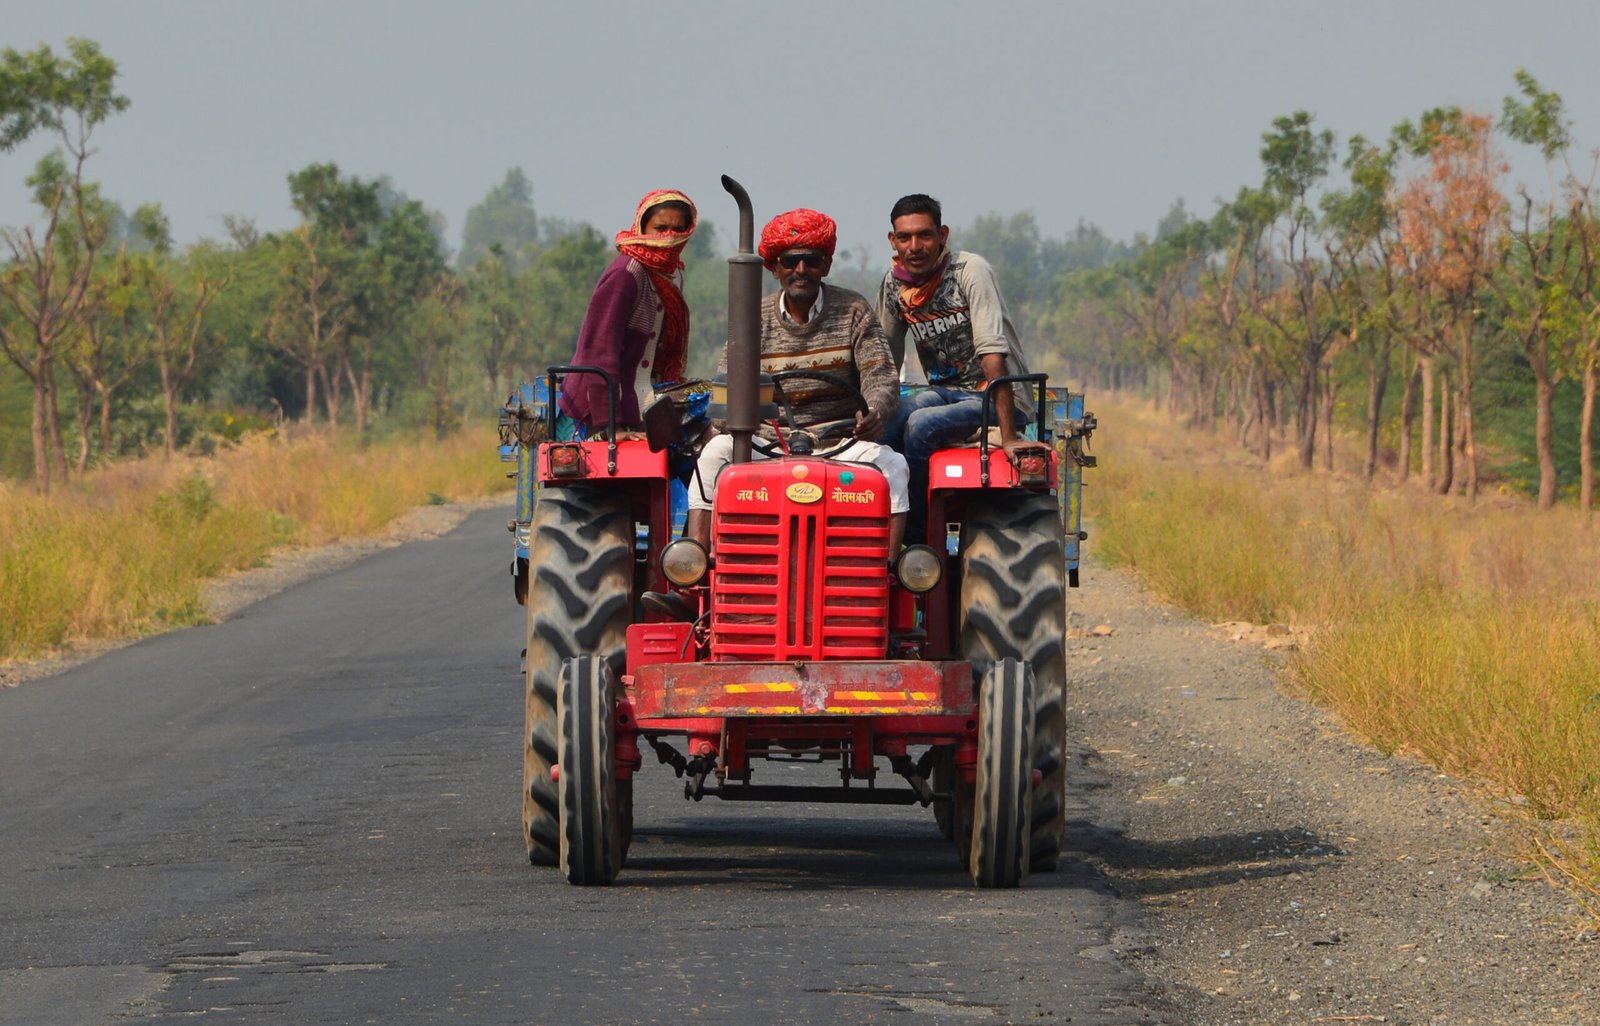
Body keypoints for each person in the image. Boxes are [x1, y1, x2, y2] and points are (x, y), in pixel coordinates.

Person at [684, 208, 909, 553]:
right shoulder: (753, 319)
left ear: (826, 266)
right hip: (768, 445)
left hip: (839, 443)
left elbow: (880, 376)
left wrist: (874, 411)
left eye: (811, 260)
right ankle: (695, 567)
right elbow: (726, 396)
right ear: (775, 268)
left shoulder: (853, 310)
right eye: (790, 262)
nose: (801, 270)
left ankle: (889, 575)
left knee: (893, 466)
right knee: (714, 454)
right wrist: (741, 418)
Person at [876, 193, 1048, 543]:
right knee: (892, 421)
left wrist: (1010, 436)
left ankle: (918, 539)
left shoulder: (969, 271)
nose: (915, 246)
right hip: (946, 394)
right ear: (892, 241)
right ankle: (874, 531)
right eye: (905, 237)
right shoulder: (895, 285)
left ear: (943, 235)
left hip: (998, 396)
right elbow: (885, 361)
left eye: (924, 235)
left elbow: (991, 353)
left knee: (921, 425)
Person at [557, 189, 697, 438]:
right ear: (643, 228)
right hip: (593, 413)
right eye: (661, 228)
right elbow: (599, 351)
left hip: (640, 401)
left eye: (677, 230)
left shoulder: (671, 276)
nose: (668, 237)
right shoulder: (627, 274)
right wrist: (612, 427)